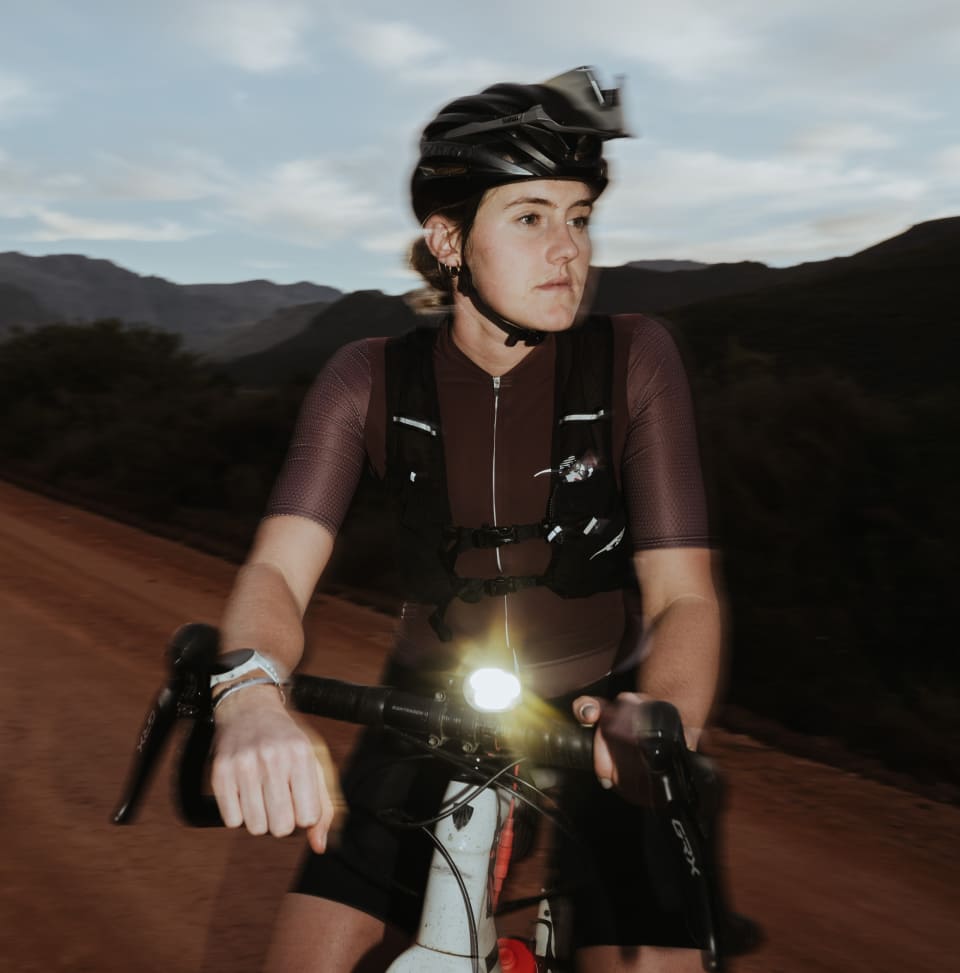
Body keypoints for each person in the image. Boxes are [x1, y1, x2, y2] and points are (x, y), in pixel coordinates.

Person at [210, 66, 725, 973]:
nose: (568, 248)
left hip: (604, 709)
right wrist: (250, 692)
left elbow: (684, 595)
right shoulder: (366, 377)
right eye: (529, 216)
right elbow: (277, 572)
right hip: (422, 705)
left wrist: (662, 715)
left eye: (579, 217)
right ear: (447, 241)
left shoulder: (635, 359)